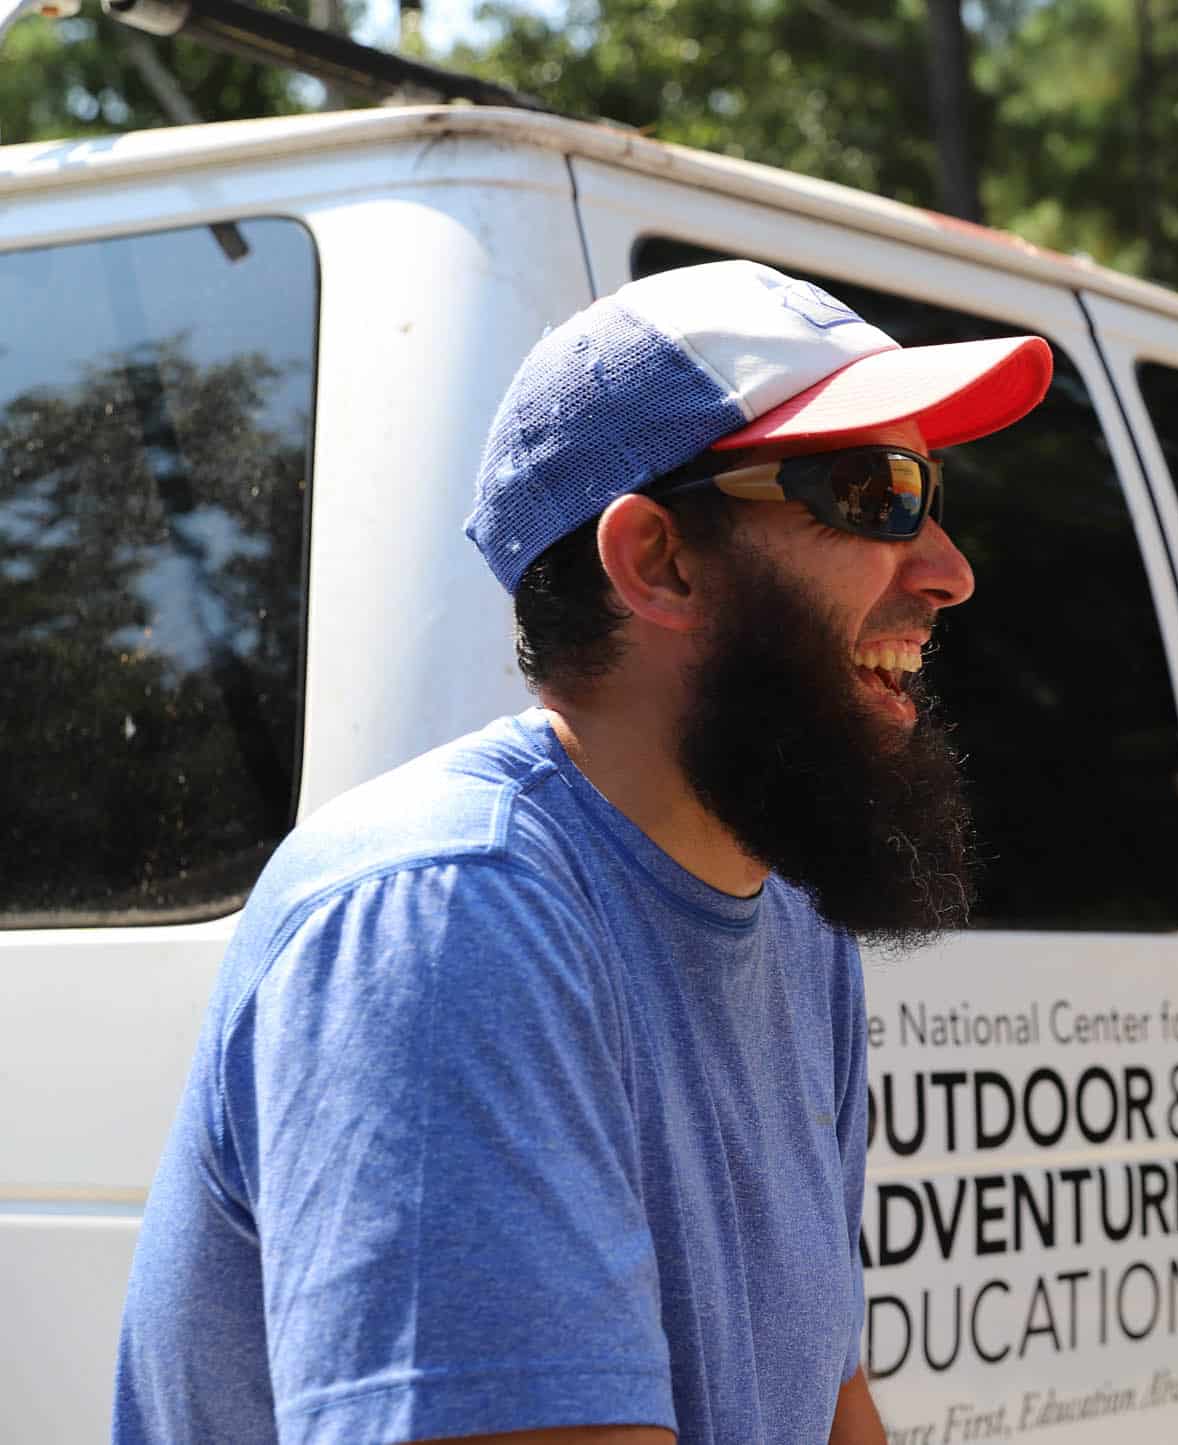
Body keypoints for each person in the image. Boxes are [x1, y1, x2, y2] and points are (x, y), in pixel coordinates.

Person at [111, 259, 1053, 1445]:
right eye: (875, 492)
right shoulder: (452, 914)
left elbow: (827, 1403)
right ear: (657, 561)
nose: (948, 569)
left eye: (934, 492)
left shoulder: (795, 927)